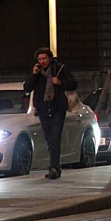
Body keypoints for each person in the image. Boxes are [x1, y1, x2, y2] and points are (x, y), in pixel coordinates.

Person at [24, 47, 77, 180]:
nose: (42, 62)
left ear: (50, 58)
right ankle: (55, 165)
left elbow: (73, 83)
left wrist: (59, 82)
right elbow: (27, 87)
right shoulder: (38, 73)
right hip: (43, 108)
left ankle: (54, 167)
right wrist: (34, 74)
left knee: (55, 137)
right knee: (49, 138)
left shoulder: (59, 69)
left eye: (44, 59)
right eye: (40, 59)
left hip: (57, 107)